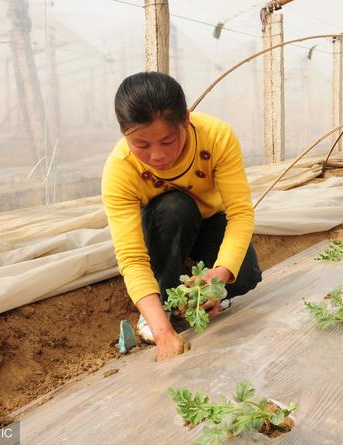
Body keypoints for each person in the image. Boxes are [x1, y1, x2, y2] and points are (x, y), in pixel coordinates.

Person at [102, 72, 262, 361]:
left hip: (208, 219)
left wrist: (219, 277)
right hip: (164, 224)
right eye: (141, 144)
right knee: (175, 207)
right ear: (124, 132)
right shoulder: (120, 169)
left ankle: (199, 295)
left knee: (245, 276)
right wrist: (162, 333)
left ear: (186, 119)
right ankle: (162, 307)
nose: (156, 156)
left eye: (167, 140)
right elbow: (132, 257)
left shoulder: (216, 137)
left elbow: (239, 214)